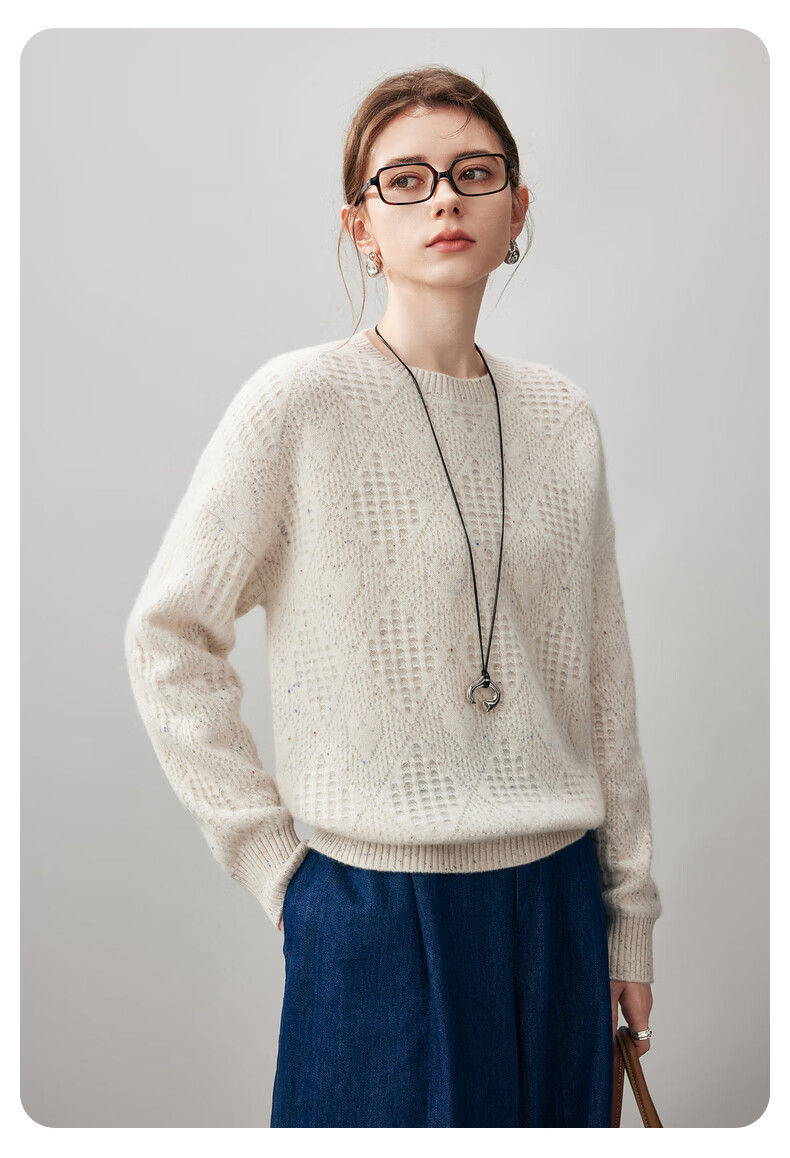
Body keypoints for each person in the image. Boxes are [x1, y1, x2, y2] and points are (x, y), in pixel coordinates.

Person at [124, 65, 662, 1128]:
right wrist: (280, 870)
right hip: (373, 911)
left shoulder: (562, 417)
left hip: (559, 906)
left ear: (517, 208)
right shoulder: (298, 403)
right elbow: (168, 636)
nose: (444, 199)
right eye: (405, 180)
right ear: (361, 226)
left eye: (473, 173)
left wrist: (627, 919)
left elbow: (602, 677)